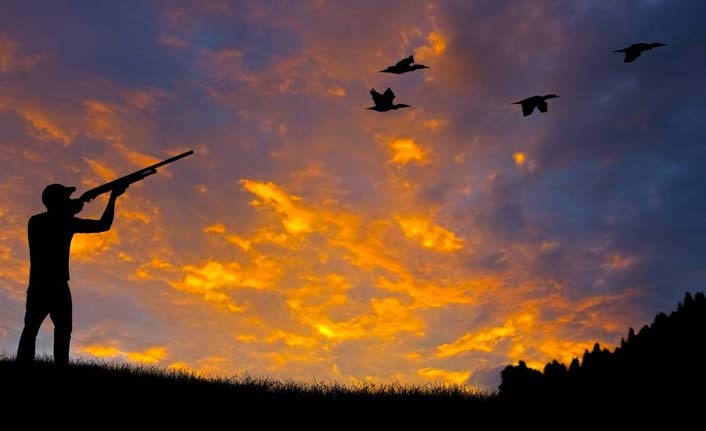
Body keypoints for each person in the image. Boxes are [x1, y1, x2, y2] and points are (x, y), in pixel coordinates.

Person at [16, 183, 126, 366]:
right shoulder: (50, 221)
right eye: (65, 198)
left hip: (41, 284)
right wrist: (114, 197)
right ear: (57, 202)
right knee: (44, 329)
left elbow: (98, 225)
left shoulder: (38, 221)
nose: (70, 200)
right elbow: (103, 225)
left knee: (42, 329)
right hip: (52, 284)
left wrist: (75, 207)